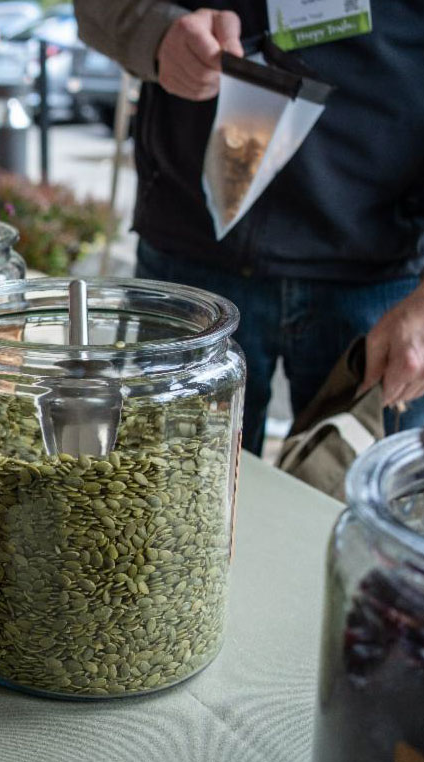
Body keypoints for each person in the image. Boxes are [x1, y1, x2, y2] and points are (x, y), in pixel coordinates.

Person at [74, 0, 424, 454]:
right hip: (189, 257)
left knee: (358, 514)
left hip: (383, 279)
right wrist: (157, 34)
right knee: (167, 505)